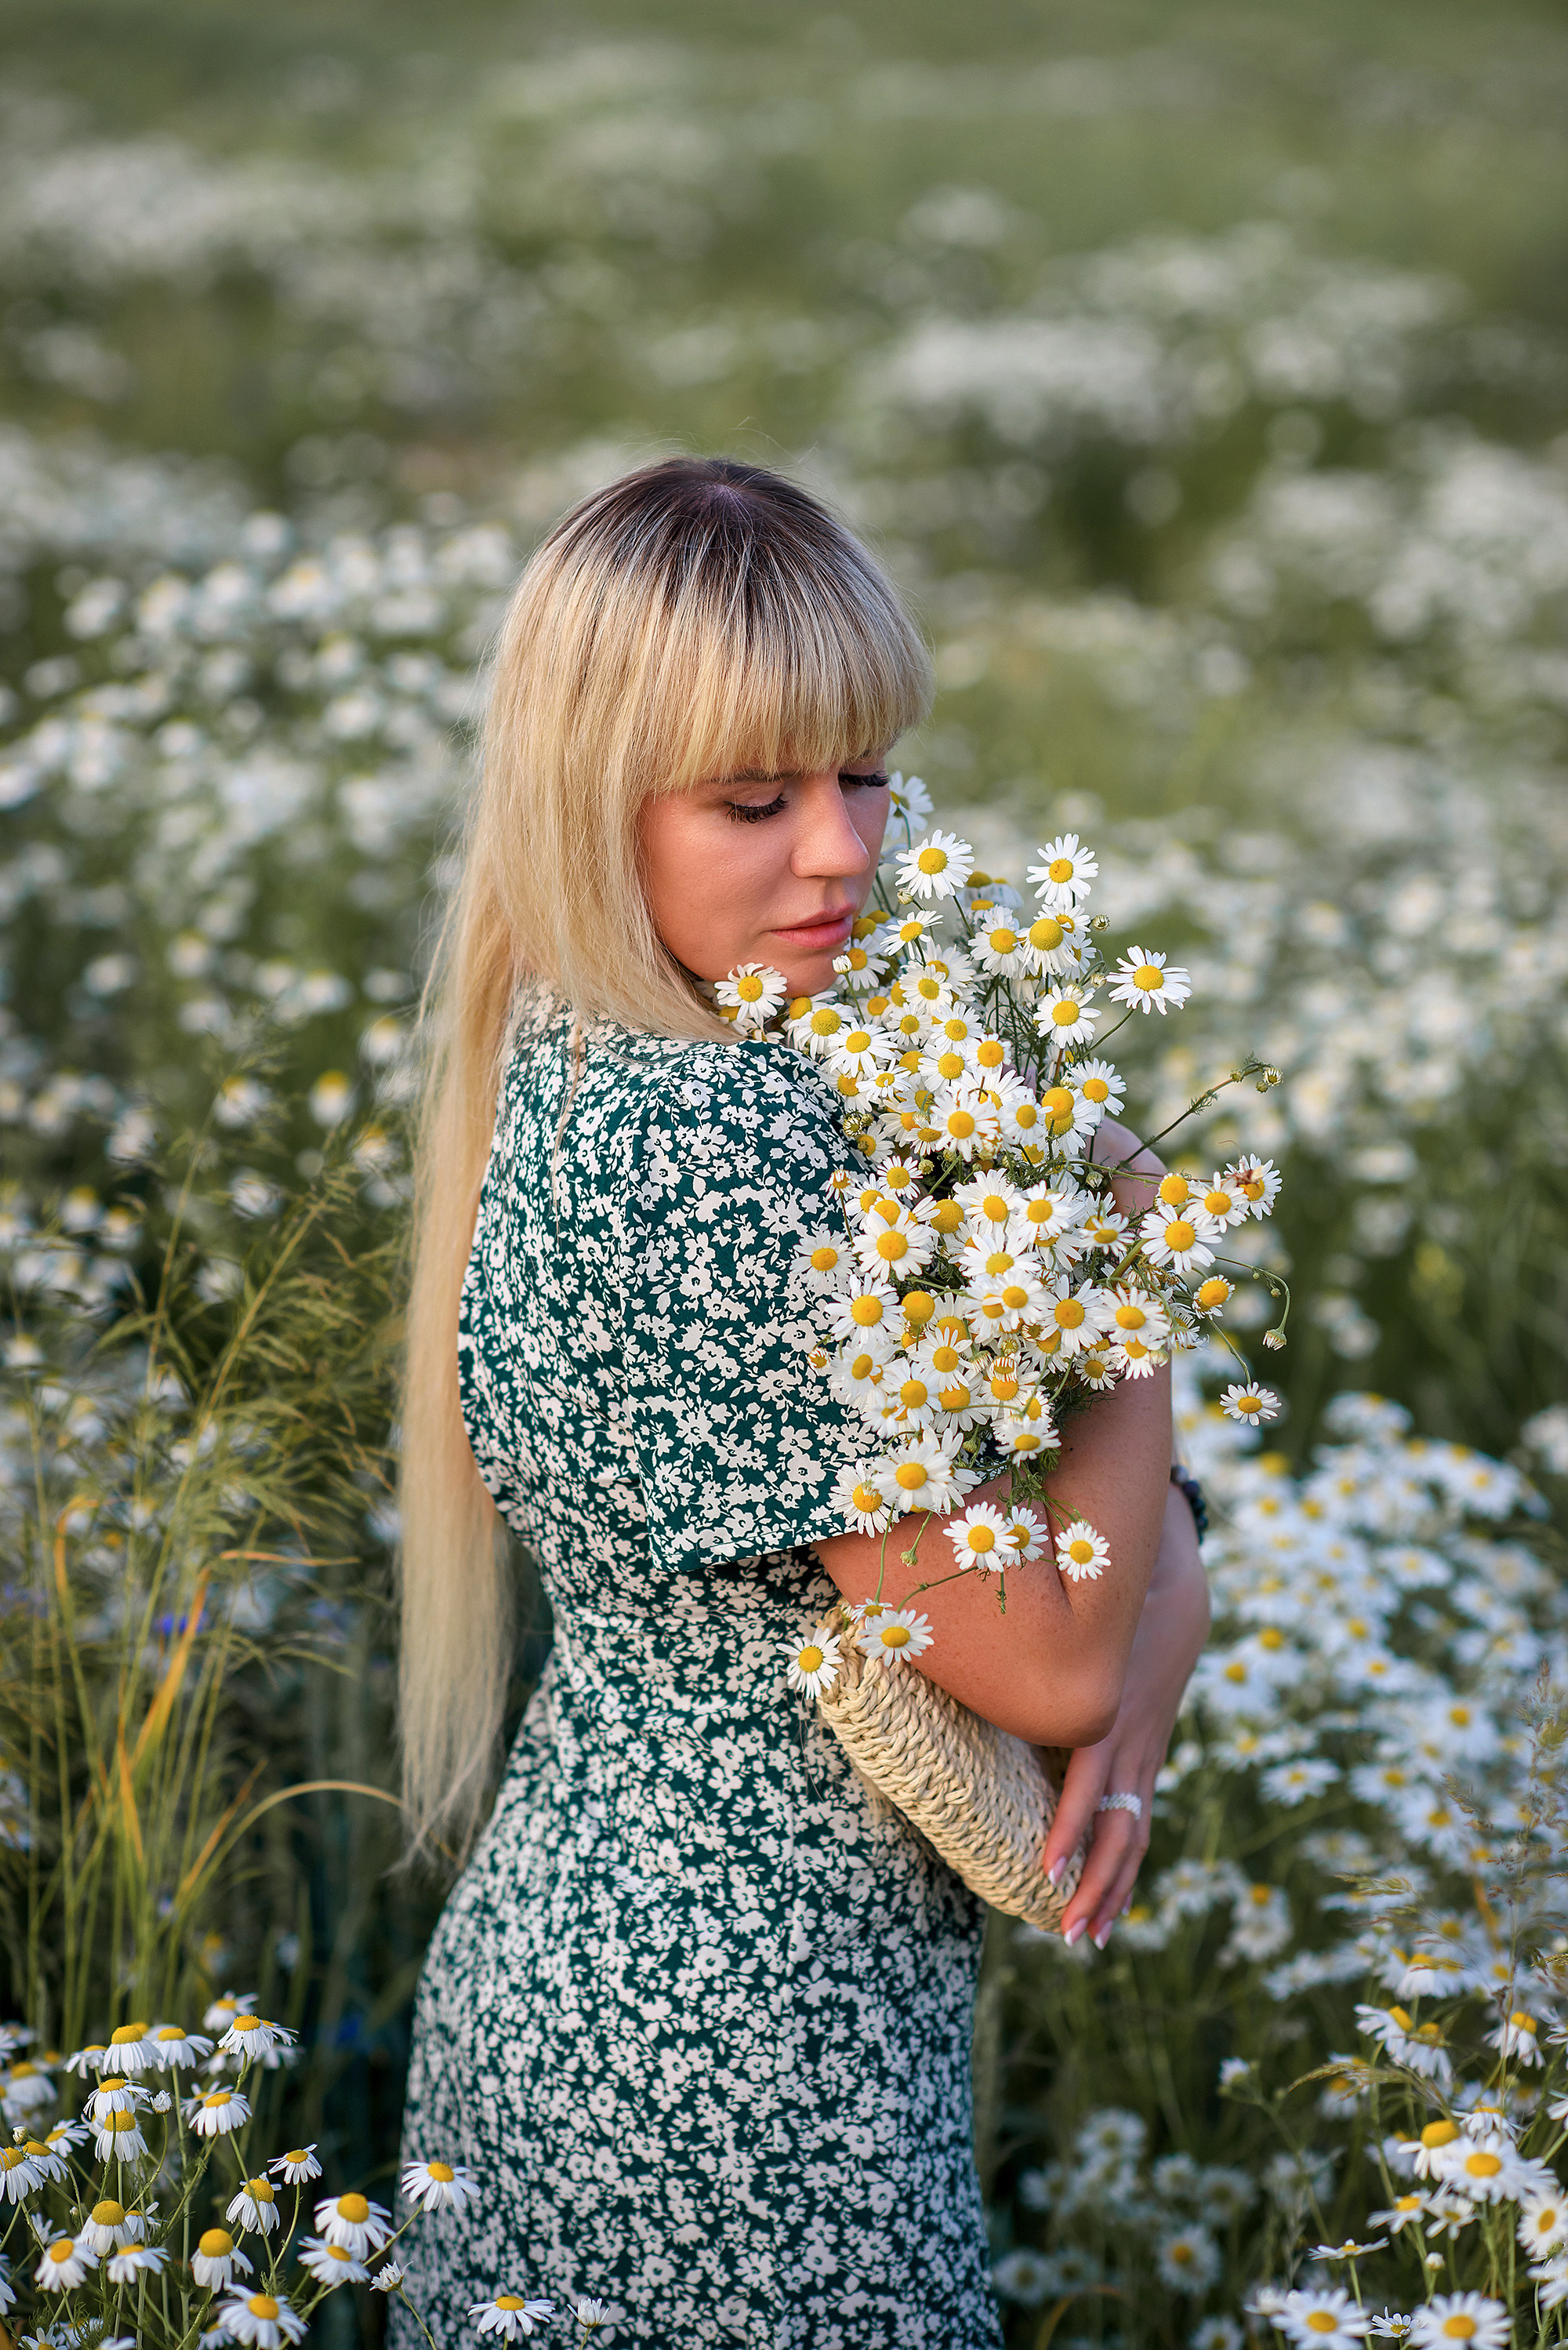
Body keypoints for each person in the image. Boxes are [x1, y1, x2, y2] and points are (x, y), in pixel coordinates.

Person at [393, 456, 1210, 2349]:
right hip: (738, 2085)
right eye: (755, 798)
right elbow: (1062, 1654)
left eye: (865, 773)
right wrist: (1132, 1270)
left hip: (620, 2003)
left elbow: (1103, 1583)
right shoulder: (714, 1145)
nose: (843, 851)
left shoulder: (605, 1036)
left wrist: (1140, 1606)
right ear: (596, 813)